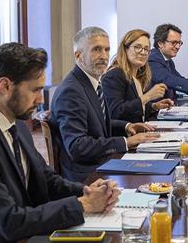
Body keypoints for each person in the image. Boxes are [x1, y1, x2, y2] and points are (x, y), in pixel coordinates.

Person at [0, 43, 121, 243]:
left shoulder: (16, 125)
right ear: (5, 86)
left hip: (28, 239)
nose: (41, 100)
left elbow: (47, 181)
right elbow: (9, 220)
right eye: (34, 90)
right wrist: (82, 205)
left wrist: (87, 191)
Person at [51, 27, 159, 182]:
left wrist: (126, 126)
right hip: (87, 175)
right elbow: (78, 147)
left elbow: (96, 124)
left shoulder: (92, 83)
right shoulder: (71, 91)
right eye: (96, 50)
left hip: (102, 162)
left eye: (107, 50)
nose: (104, 56)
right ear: (78, 55)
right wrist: (125, 142)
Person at [102, 29, 174, 122]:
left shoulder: (137, 75)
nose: (143, 52)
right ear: (125, 49)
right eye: (137, 47)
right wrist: (148, 97)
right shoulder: (114, 75)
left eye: (146, 49)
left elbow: (134, 108)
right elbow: (116, 113)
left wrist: (153, 106)